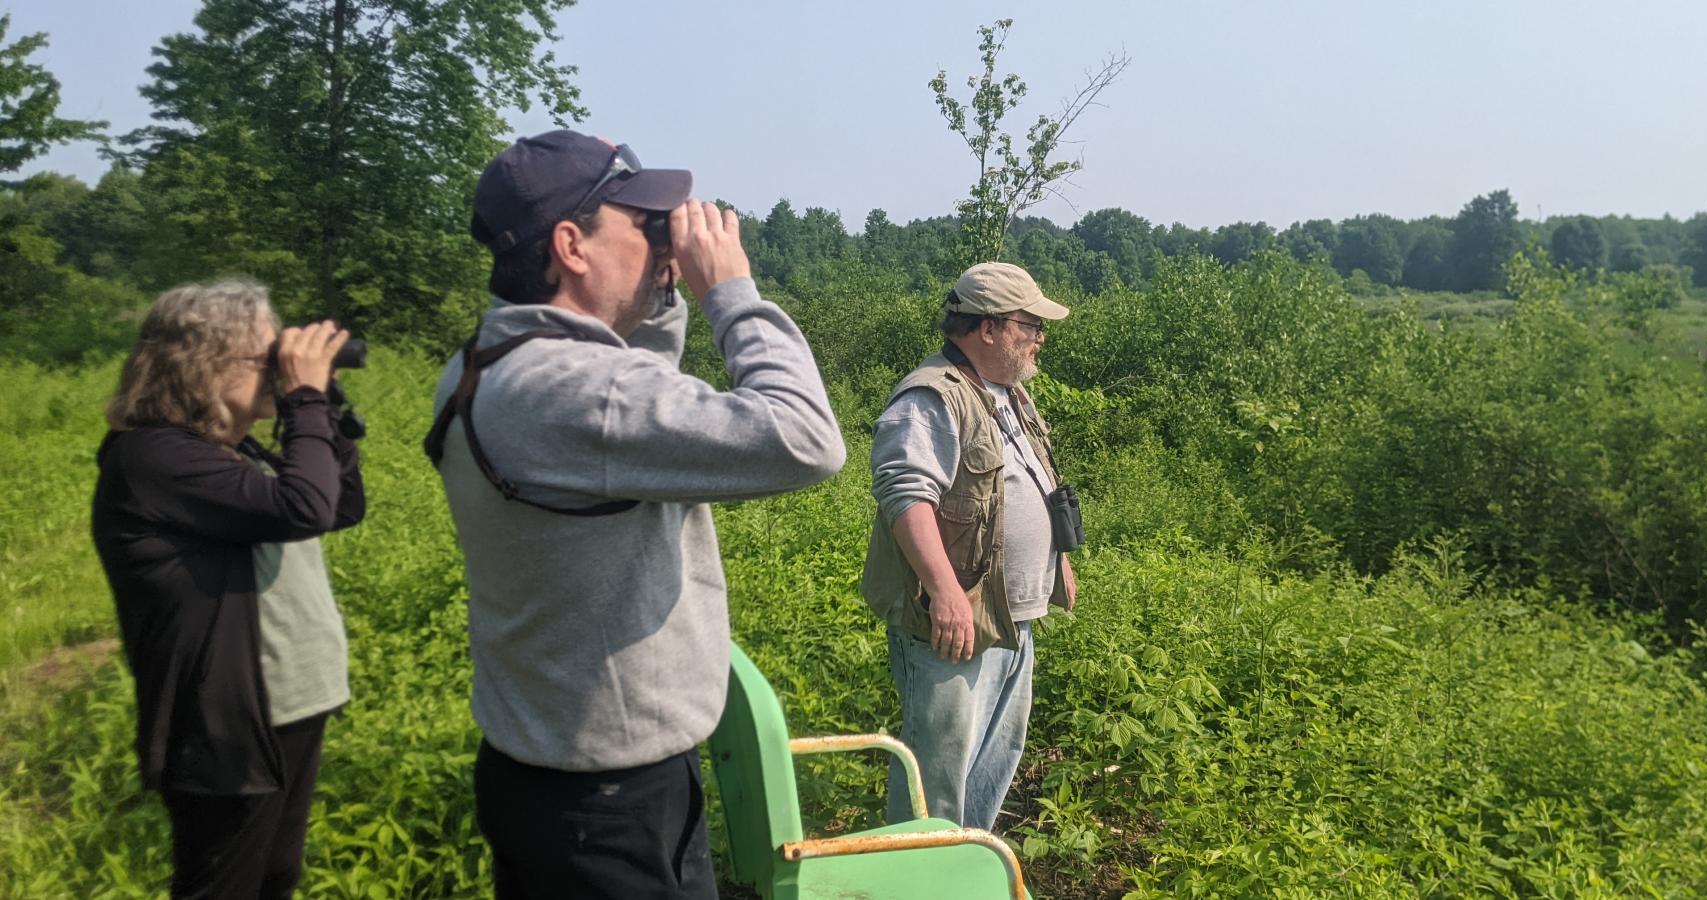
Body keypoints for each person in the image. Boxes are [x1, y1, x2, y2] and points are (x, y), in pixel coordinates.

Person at [428, 129, 845, 899]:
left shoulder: (487, 363)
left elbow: (638, 389)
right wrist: (730, 293)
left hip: (550, 773)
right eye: (640, 223)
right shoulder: (582, 394)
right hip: (610, 801)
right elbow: (805, 439)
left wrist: (656, 287)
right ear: (571, 244)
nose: (665, 240)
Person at [91, 280, 364, 899]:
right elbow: (304, 509)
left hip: (289, 707)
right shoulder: (154, 459)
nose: (279, 370)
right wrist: (302, 404)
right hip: (227, 723)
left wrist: (324, 405)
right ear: (204, 366)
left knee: (274, 877)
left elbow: (340, 505)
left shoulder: (232, 451)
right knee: (223, 887)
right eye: (265, 358)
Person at [860, 261, 1078, 830]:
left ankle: (964, 873)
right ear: (987, 328)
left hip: (1010, 616)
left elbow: (1030, 482)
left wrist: (1059, 558)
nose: (1040, 337)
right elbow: (906, 495)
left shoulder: (1008, 394)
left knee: (989, 767)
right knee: (938, 775)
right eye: (1029, 325)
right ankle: (914, 884)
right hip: (954, 621)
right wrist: (945, 591)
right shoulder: (932, 396)